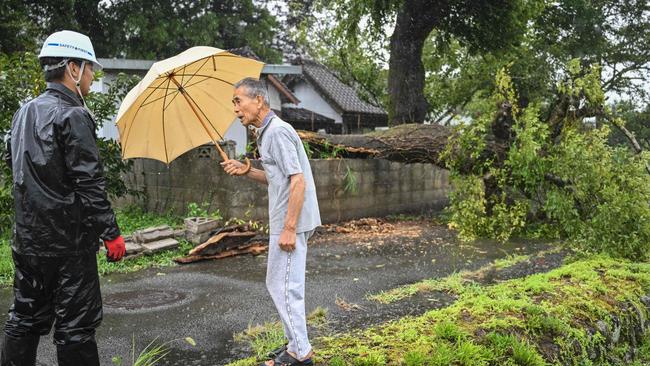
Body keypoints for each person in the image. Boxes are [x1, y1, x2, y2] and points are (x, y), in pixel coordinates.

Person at [1, 30, 125, 366]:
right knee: (76, 327)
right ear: (73, 67)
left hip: (28, 241)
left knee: (23, 318)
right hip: (68, 244)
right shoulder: (74, 114)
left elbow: (12, 166)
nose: (92, 75)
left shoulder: (23, 112)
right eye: (89, 68)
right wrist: (111, 233)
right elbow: (89, 183)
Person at [222, 77, 321, 366]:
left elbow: (298, 180)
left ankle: (301, 354)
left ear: (259, 100)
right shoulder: (266, 133)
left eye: (238, 101)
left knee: (283, 286)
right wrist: (246, 170)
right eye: (234, 103)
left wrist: (289, 228)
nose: (236, 109)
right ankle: (294, 345)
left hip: (291, 222)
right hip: (285, 220)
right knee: (278, 283)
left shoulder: (277, 132)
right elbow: (277, 178)